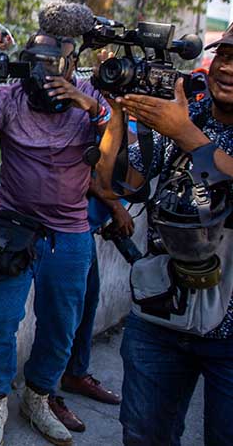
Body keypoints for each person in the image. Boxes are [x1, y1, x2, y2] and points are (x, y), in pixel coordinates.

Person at [0, 28, 110, 446]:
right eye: (34, 62)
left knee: (62, 326)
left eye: (52, 64)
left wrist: (91, 108)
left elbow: (116, 163)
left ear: (71, 64)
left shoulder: (90, 100)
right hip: (14, 229)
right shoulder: (7, 98)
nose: (42, 73)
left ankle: (38, 397)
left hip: (70, 234)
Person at [96, 26, 233, 446]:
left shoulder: (183, 124)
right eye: (223, 55)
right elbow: (113, 182)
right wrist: (116, 115)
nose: (228, 67)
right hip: (161, 314)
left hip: (230, 332)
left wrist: (185, 134)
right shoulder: (186, 111)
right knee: (143, 436)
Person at [48, 193, 130, 432]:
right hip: (66, 226)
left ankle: (75, 374)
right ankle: (44, 394)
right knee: (63, 317)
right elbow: (85, 175)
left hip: (86, 225)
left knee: (87, 305)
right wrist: (115, 207)